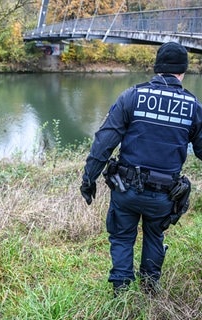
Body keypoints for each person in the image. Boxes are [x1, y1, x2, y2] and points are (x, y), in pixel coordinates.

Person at [80, 42, 202, 297]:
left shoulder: (132, 96)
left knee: (123, 237)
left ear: (157, 67)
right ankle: (149, 286)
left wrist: (88, 179)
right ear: (183, 71)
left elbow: (104, 142)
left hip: (127, 191)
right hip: (164, 195)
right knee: (154, 237)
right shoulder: (193, 106)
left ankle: (121, 291)